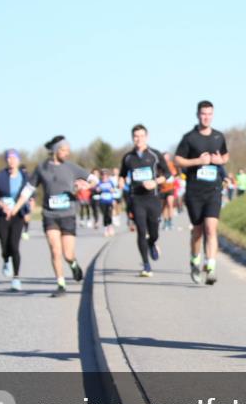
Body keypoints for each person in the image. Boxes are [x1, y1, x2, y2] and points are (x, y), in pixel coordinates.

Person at [9, 135, 88, 297]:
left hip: (68, 214)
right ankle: (60, 284)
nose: (67, 153)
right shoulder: (41, 168)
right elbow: (28, 190)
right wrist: (16, 208)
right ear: (55, 150)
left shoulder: (72, 167)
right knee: (55, 249)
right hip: (49, 214)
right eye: (64, 150)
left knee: (68, 254)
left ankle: (73, 264)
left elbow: (93, 180)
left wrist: (84, 185)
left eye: (68, 150)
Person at [175, 101, 229, 285]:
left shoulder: (218, 136)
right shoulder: (189, 138)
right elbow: (178, 160)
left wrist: (219, 160)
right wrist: (198, 161)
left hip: (213, 190)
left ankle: (211, 266)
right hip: (194, 192)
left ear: (213, 115)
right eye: (203, 114)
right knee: (197, 231)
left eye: (209, 114)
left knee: (211, 229)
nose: (206, 117)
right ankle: (195, 260)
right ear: (198, 115)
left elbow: (225, 156)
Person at [119, 124, 170, 277]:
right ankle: (146, 265)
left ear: (146, 137)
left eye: (141, 136)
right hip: (136, 199)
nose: (138, 139)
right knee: (141, 231)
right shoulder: (128, 157)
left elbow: (167, 173)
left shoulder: (155, 154)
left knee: (153, 230)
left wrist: (155, 182)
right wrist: (121, 181)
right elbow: (122, 175)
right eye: (136, 136)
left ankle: (152, 242)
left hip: (153, 197)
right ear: (132, 138)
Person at [0, 149, 29, 291]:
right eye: (8, 158)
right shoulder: (0, 176)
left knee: (15, 246)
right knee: (5, 245)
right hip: (1, 215)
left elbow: (29, 194)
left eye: (14, 158)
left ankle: (16, 278)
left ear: (18, 160)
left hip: (17, 215)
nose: (11, 161)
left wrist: (26, 211)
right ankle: (6, 260)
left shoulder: (24, 177)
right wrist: (2, 205)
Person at [95, 169, 116, 236]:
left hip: (109, 201)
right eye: (103, 175)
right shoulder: (100, 183)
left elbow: (114, 190)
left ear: (108, 176)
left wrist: (111, 190)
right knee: (104, 215)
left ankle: (110, 227)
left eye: (105, 175)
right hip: (102, 201)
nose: (104, 177)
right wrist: (98, 190)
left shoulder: (110, 182)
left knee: (109, 214)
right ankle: (105, 229)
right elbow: (96, 190)